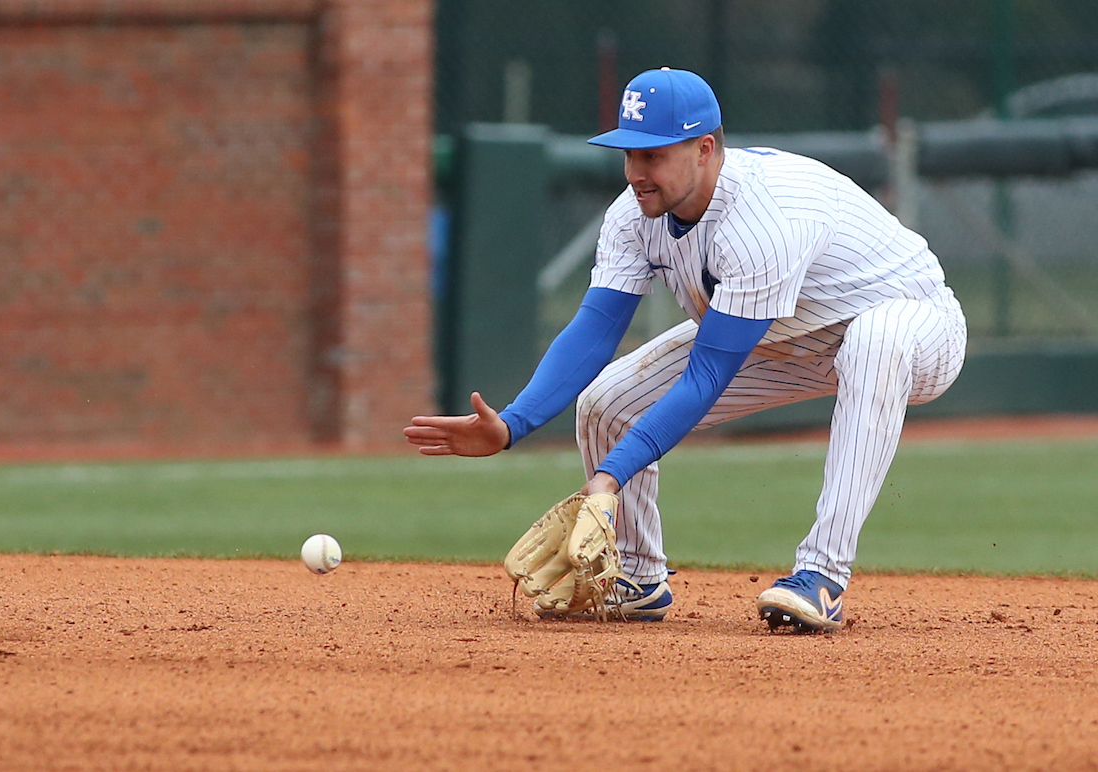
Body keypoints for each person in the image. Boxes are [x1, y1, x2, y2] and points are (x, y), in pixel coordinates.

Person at [404, 67, 967, 632]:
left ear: (704, 149)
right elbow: (595, 329)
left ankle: (821, 576)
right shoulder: (632, 216)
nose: (635, 173)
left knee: (873, 344)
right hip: (782, 334)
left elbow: (707, 376)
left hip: (915, 327)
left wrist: (609, 478)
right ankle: (639, 579)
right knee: (607, 402)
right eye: (629, 154)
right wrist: (512, 425)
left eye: (652, 155)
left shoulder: (761, 221)